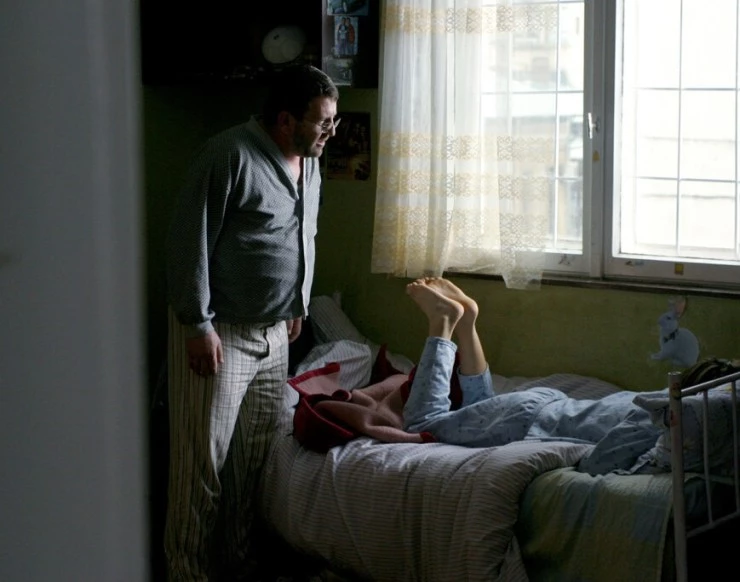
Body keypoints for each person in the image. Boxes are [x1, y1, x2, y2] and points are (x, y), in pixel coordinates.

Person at [164, 64, 339, 581]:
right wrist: (197, 325)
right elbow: (188, 242)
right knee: (202, 468)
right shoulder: (229, 155)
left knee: (251, 468)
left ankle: (237, 567)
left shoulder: (311, 163)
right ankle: (187, 573)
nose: (332, 131)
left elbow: (302, 236)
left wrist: (296, 305)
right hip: (220, 335)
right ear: (285, 119)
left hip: (275, 334)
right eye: (323, 121)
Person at [400, 277, 663, 476]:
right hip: (526, 423)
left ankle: (466, 323)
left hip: (542, 406)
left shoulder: (667, 396)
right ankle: (443, 320)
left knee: (479, 408)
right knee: (423, 424)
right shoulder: (662, 418)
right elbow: (596, 466)